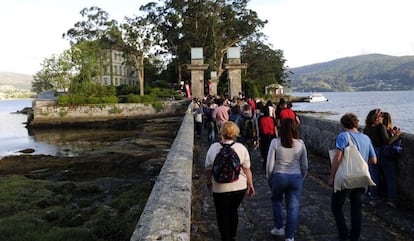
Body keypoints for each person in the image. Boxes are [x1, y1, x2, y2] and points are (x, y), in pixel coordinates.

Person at [329, 113, 377, 241]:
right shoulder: (366, 138)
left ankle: (343, 234)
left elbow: (338, 157)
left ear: (344, 124)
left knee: (336, 205)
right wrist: (360, 164)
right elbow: (374, 160)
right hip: (362, 179)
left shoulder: (343, 136)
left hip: (347, 178)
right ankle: (354, 237)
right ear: (356, 123)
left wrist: (332, 176)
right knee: (356, 209)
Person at [205, 121, 255, 241]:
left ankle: (226, 238)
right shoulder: (241, 148)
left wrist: (209, 183)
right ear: (235, 134)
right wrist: (250, 184)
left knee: (222, 215)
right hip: (239, 187)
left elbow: (208, 169)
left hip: (220, 188)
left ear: (221, 133)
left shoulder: (213, 148)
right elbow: (247, 169)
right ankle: (232, 236)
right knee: (233, 211)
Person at [266, 118, 308, 241]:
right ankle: (290, 236)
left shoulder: (275, 142)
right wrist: (302, 177)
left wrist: (269, 177)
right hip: (295, 176)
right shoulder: (300, 144)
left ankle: (279, 227)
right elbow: (305, 165)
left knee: (276, 200)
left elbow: (269, 164)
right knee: (293, 207)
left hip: (279, 175)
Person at [363, 109, 400, 206]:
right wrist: (396, 135)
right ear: (376, 117)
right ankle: (391, 199)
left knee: (374, 176)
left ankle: (374, 197)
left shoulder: (367, 128)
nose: (382, 117)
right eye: (381, 115)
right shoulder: (380, 126)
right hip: (382, 153)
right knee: (390, 176)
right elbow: (387, 141)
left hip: (371, 153)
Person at [381, 112, 402, 207]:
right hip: (390, 155)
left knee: (382, 176)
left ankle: (383, 195)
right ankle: (392, 198)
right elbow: (392, 142)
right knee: (391, 178)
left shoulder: (380, 130)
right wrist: (396, 135)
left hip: (382, 155)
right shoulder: (391, 130)